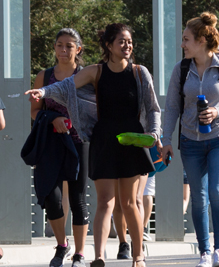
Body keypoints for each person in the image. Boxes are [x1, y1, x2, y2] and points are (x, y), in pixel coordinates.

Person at [28, 23, 163, 267]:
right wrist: (44, 92)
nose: (127, 45)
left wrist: (154, 132)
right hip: (104, 140)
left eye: (129, 41)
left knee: (130, 202)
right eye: (121, 41)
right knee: (104, 201)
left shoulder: (139, 73)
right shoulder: (96, 72)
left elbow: (153, 108)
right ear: (109, 45)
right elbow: (67, 86)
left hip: (132, 140)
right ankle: (99, 257)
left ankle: (138, 256)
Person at [158, 12, 219, 267]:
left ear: (201, 40)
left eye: (186, 39)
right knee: (198, 196)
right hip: (190, 141)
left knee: (217, 192)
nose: (182, 44)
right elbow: (173, 107)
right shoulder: (182, 68)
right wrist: (166, 139)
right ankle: (204, 253)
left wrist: (218, 111)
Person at [30, 28, 90, 267]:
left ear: (79, 49)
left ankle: (80, 254)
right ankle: (62, 245)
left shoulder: (87, 76)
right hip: (51, 142)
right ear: (54, 48)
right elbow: (34, 112)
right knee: (52, 198)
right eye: (59, 45)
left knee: (78, 199)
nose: (64, 50)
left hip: (79, 142)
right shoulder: (43, 77)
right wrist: (52, 118)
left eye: (69, 46)